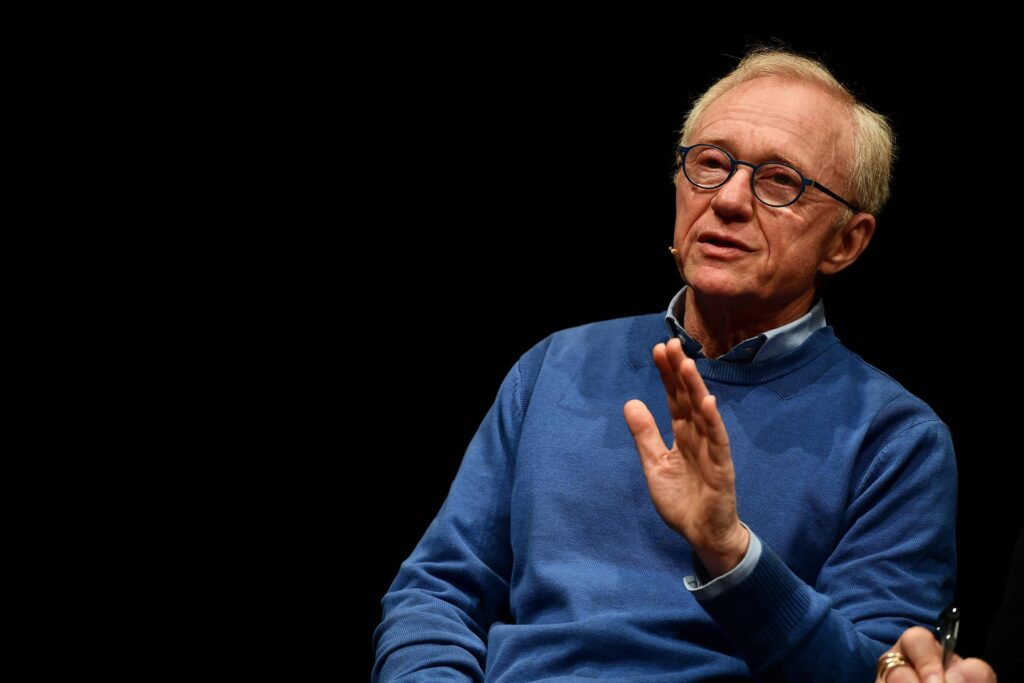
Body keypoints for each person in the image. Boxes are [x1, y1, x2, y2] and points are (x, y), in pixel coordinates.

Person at [373, 48, 957, 682]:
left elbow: (878, 671)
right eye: (711, 163)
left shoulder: (893, 438)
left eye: (779, 180)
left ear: (845, 242)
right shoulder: (556, 367)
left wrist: (730, 551)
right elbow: (435, 593)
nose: (729, 199)